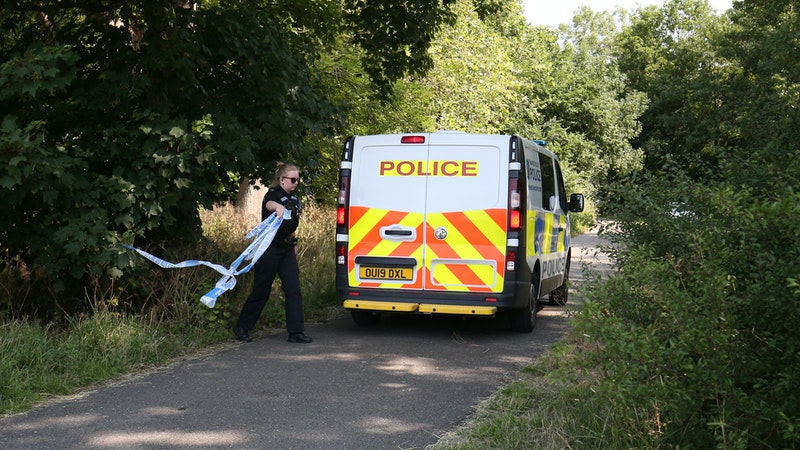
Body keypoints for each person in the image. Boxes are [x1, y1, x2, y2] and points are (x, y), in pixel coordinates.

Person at [234, 163, 312, 344]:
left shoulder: (294, 199)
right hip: (269, 249)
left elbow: (291, 225)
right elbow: (269, 204)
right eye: (293, 179)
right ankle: (242, 327)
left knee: (293, 290)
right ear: (281, 179)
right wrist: (277, 207)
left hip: (286, 250)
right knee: (261, 290)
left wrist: (294, 244)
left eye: (298, 179)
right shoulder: (273, 195)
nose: (296, 182)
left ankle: (296, 332)